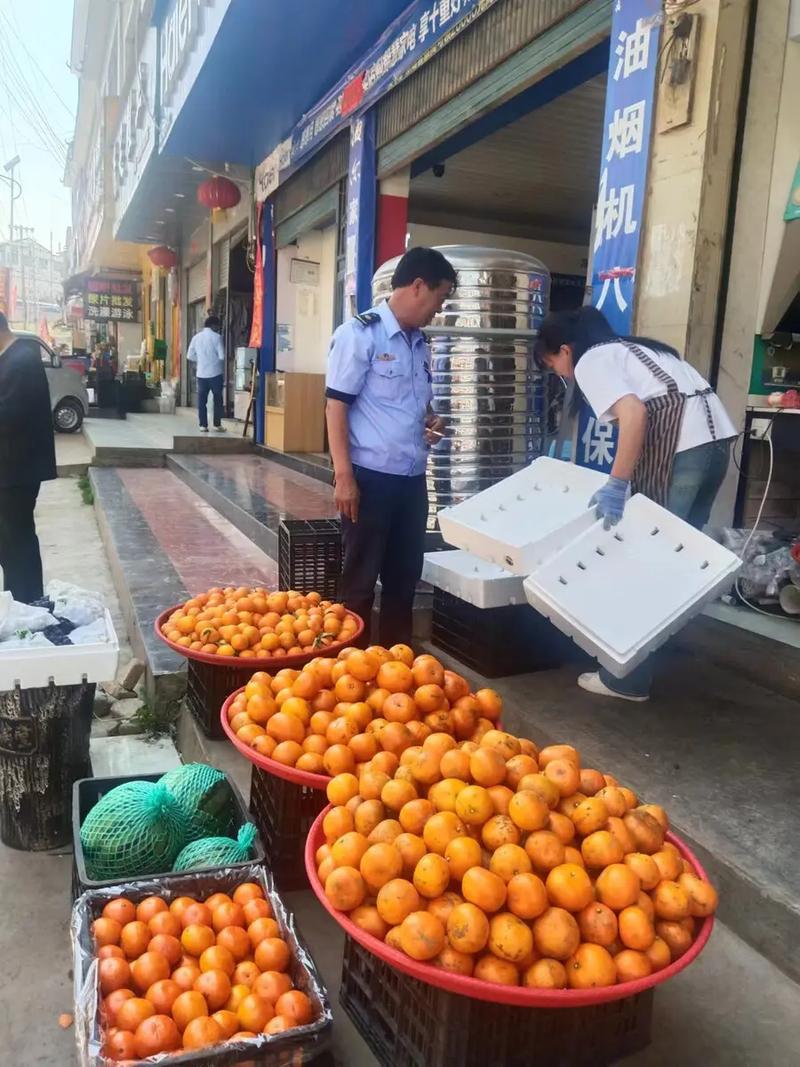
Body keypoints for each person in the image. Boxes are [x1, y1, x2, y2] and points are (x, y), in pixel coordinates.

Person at [535, 305, 737, 701]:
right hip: (715, 448)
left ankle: (627, 679)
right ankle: (658, 649)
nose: (560, 373)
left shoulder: (593, 359)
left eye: (553, 363)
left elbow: (635, 414)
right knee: (677, 560)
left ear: (565, 348)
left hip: (684, 454)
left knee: (649, 560)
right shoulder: (645, 351)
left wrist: (616, 484)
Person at [325, 247, 457, 647]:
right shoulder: (360, 334)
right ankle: (351, 668)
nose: (439, 309)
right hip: (370, 481)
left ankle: (395, 671)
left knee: (403, 579)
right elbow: (335, 407)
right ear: (418, 286)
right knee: (361, 582)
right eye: (440, 298)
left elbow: (410, 405)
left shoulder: (419, 343)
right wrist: (344, 477)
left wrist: (431, 421)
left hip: (412, 482)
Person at [0, 311, 57, 602]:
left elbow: (10, 416)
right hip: (11, 468)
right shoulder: (12, 359)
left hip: (16, 470)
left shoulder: (21, 362)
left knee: (17, 540)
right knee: (9, 542)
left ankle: (27, 602)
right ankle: (20, 600)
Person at [187, 315, 226, 432]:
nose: (218, 328)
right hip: (215, 374)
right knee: (218, 399)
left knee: (201, 400)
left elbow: (189, 356)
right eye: (217, 326)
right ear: (213, 325)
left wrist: (200, 360)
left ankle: (203, 425)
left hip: (201, 374)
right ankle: (217, 424)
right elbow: (222, 356)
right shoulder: (217, 337)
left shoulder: (196, 337)